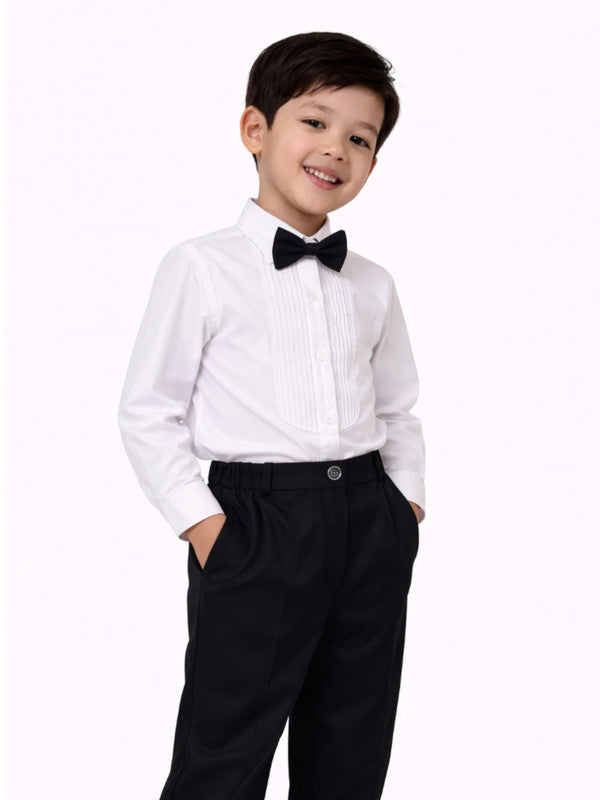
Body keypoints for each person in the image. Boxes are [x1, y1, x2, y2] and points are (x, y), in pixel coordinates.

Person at [117, 30, 426, 800]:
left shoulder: (373, 283)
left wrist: (405, 508)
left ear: (374, 163)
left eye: (360, 138)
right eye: (315, 122)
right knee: (225, 750)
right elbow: (148, 409)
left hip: (369, 522)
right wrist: (207, 528)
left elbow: (398, 407)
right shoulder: (201, 266)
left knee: (352, 746)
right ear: (255, 129)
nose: (335, 149)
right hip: (257, 525)